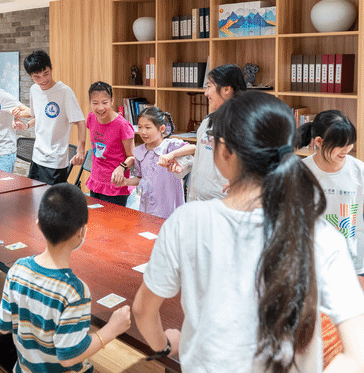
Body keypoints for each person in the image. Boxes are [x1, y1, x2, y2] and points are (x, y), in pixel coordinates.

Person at [133, 91, 364, 373]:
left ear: (224, 150)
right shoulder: (323, 236)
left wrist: (165, 345)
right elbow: (357, 356)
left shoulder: (187, 221)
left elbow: (143, 311)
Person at [0, 183, 131, 372]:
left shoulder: (17, 269)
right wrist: (112, 329)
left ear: (38, 225)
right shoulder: (74, 291)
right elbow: (69, 357)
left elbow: (2, 326)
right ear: (82, 231)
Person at [298, 110, 364, 275]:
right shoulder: (301, 171)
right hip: (313, 260)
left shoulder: (359, 170)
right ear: (319, 142)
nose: (347, 149)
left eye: (350, 143)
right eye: (340, 145)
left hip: (353, 260)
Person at [11, 50, 86, 184]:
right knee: (33, 194)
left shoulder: (64, 92)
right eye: (37, 77)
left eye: (46, 73)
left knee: (51, 197)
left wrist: (81, 150)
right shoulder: (34, 90)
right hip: (37, 157)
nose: (43, 80)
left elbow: (80, 122)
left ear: (51, 68)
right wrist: (26, 125)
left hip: (55, 160)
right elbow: (40, 117)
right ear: (31, 76)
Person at [117, 107, 195, 219]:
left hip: (169, 209)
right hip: (147, 207)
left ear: (162, 129)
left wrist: (171, 155)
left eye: (148, 127)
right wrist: (126, 182)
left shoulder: (170, 146)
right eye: (140, 127)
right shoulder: (139, 152)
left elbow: (193, 148)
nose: (143, 132)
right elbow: (141, 179)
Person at [186, 64, 246, 201]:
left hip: (227, 203)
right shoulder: (208, 121)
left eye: (209, 86)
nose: (206, 93)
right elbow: (200, 162)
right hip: (200, 201)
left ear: (226, 89)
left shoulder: (246, 123)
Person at [85, 81, 135, 206]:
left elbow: (133, 157)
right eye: (95, 103)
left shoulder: (123, 126)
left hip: (116, 186)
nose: (100, 108)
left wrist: (121, 167)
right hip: (96, 181)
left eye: (105, 102)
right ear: (90, 102)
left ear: (112, 101)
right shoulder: (91, 118)